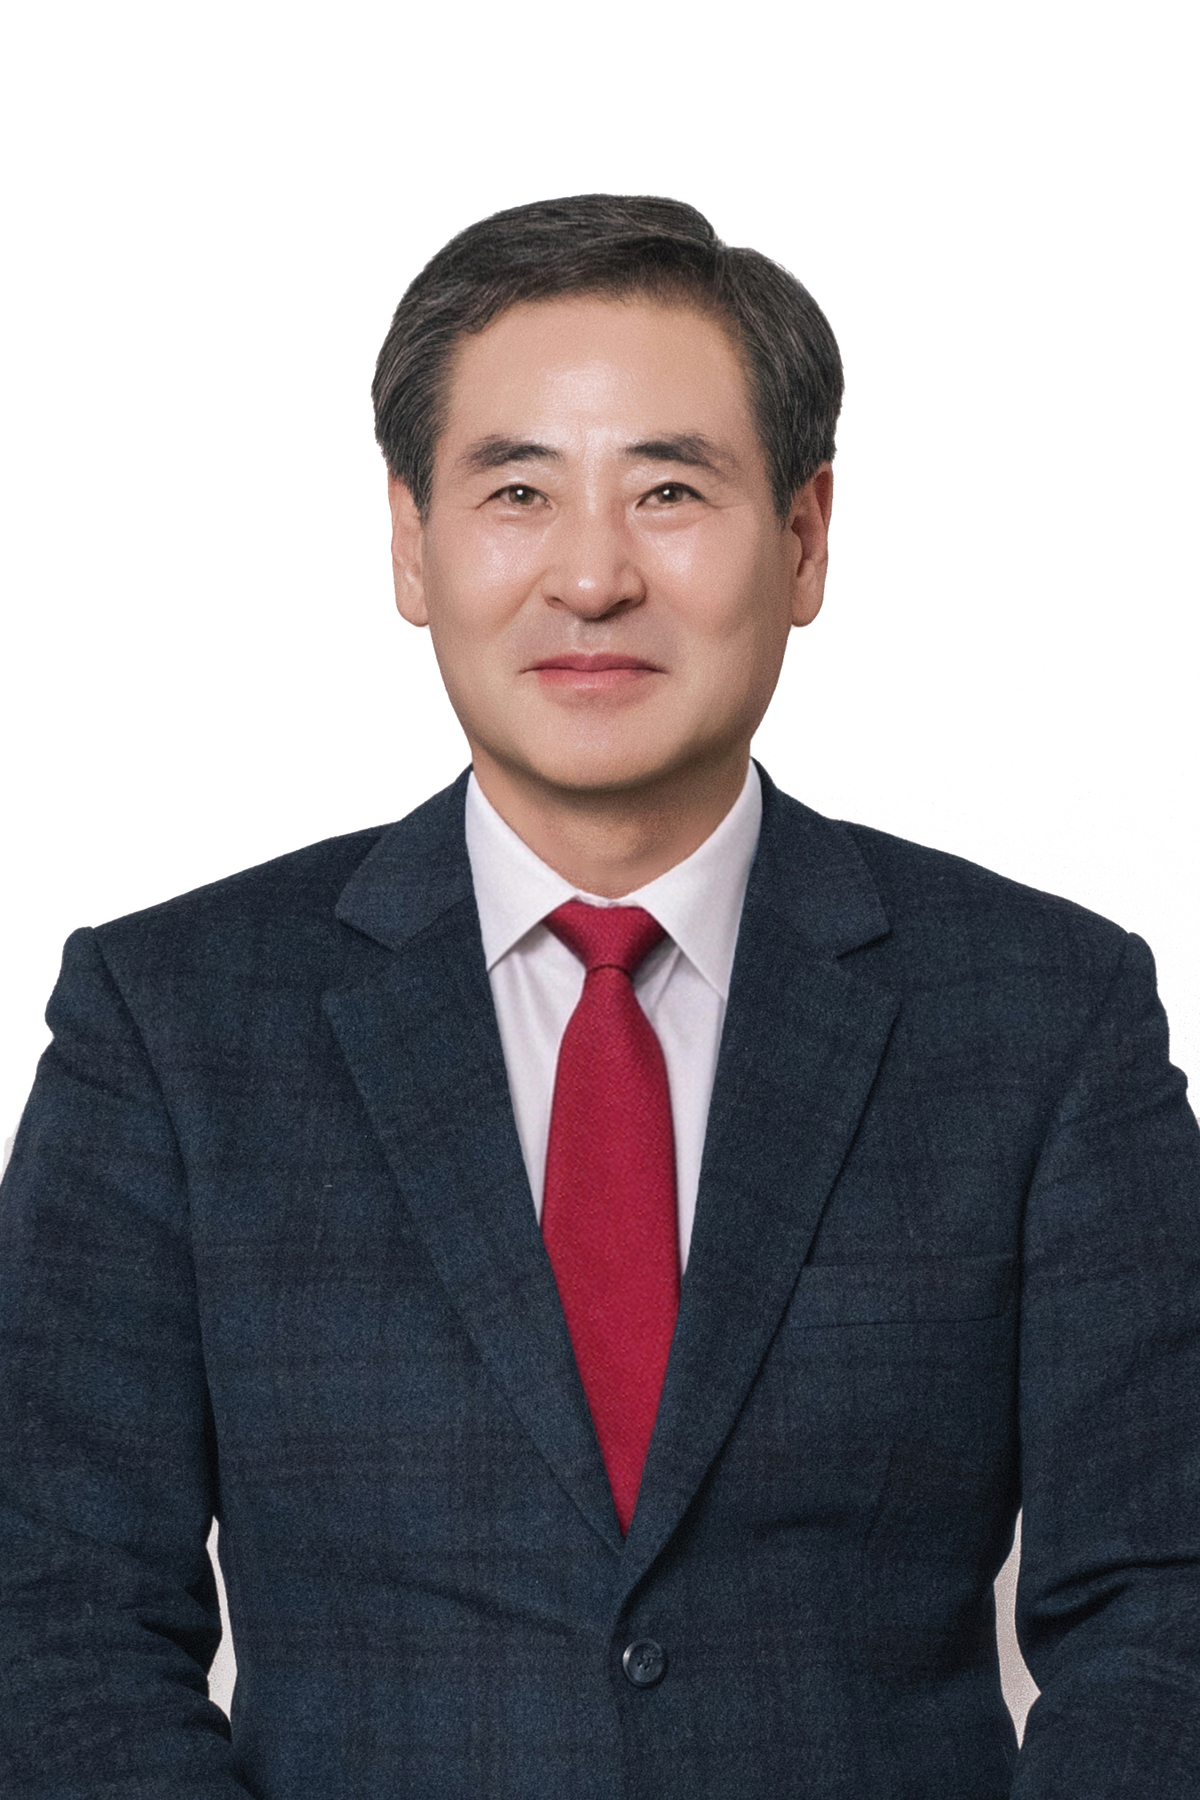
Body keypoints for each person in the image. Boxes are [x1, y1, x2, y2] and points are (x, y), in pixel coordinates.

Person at [1, 193, 1198, 1800]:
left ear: (805, 538)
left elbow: (1164, 1603)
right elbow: (57, 1618)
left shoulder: (1046, 1016)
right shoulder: (171, 1025)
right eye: (516, 491)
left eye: (670, 491)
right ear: (412, 541)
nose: (590, 576)